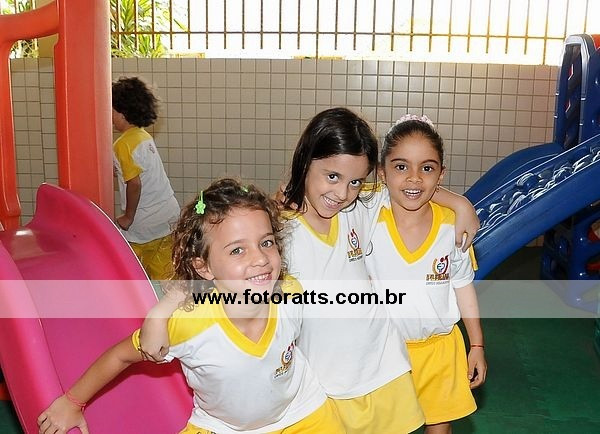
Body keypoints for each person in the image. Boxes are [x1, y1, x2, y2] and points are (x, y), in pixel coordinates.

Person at [139, 108, 480, 433]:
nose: (342, 193)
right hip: (325, 384)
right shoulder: (277, 229)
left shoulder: (359, 208)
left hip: (384, 371)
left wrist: (461, 204)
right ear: (306, 161)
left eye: (355, 182)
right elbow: (216, 273)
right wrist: (160, 313)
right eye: (332, 176)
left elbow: (408, 185)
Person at [37, 179, 343, 434]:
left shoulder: (289, 293)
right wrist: (72, 402)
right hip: (223, 427)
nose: (260, 258)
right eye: (237, 250)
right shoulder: (190, 323)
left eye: (266, 242)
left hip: (301, 413)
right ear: (204, 267)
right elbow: (120, 356)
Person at [365, 114, 487, 434]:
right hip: (383, 352)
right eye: (401, 166)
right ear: (382, 172)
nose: (414, 178)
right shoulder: (367, 217)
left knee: (439, 427)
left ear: (441, 174)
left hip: (439, 350)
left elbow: (463, 287)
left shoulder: (452, 226)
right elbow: (335, 189)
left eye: (427, 168)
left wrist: (477, 345)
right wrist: (461, 201)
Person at [112, 76, 180, 280]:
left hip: (144, 222)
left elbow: (134, 183)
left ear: (122, 112)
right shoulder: (143, 136)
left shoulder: (122, 144)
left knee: (131, 273)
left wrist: (128, 217)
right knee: (165, 275)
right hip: (168, 214)